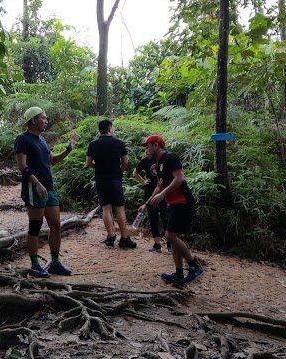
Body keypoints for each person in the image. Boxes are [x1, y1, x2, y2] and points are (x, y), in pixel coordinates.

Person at [15, 107, 77, 278]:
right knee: (35, 227)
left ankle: (55, 263)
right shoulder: (22, 139)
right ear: (33, 120)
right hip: (34, 187)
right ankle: (35, 265)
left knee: (56, 226)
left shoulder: (41, 140)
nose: (46, 121)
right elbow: (22, 166)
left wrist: (68, 149)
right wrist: (36, 183)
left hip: (49, 188)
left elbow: (52, 160)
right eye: (43, 118)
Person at [138, 135, 203, 285]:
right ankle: (179, 274)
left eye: (147, 147)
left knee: (170, 236)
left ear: (155, 145)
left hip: (182, 202)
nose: (146, 150)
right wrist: (146, 205)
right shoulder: (158, 164)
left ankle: (194, 266)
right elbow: (159, 186)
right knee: (173, 238)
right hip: (172, 204)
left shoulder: (170, 158)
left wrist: (163, 194)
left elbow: (180, 178)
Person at [86, 119, 136, 248]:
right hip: (115, 179)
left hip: (100, 179)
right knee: (119, 207)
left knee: (106, 208)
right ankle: (124, 238)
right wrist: (119, 172)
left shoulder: (93, 144)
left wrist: (98, 167)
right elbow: (125, 162)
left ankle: (110, 236)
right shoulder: (119, 143)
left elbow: (88, 163)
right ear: (109, 129)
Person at [132, 155, 171, 253]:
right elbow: (135, 173)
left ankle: (170, 243)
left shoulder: (163, 160)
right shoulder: (145, 160)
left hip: (162, 190)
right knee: (153, 216)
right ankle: (157, 243)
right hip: (150, 190)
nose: (146, 151)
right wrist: (143, 182)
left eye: (148, 148)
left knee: (165, 215)